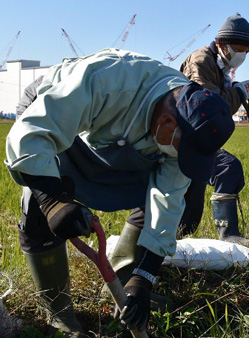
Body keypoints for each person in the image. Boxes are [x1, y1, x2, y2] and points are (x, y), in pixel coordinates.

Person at [4, 48, 235, 335]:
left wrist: (145, 276)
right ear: (165, 122)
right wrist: (53, 201)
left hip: (120, 139)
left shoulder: (183, 126)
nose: (181, 158)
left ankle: (124, 277)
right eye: (183, 151)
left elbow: (167, 200)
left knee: (152, 191)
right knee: (39, 200)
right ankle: (59, 316)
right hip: (53, 115)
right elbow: (32, 136)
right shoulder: (106, 81)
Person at [168, 13, 249, 245]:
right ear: (220, 43)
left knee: (189, 214)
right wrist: (239, 93)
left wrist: (236, 88)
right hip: (181, 139)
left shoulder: (221, 67)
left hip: (197, 140)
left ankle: (174, 247)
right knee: (227, 169)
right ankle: (228, 236)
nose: (241, 55)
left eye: (246, 51)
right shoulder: (201, 61)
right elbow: (208, 109)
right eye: (237, 48)